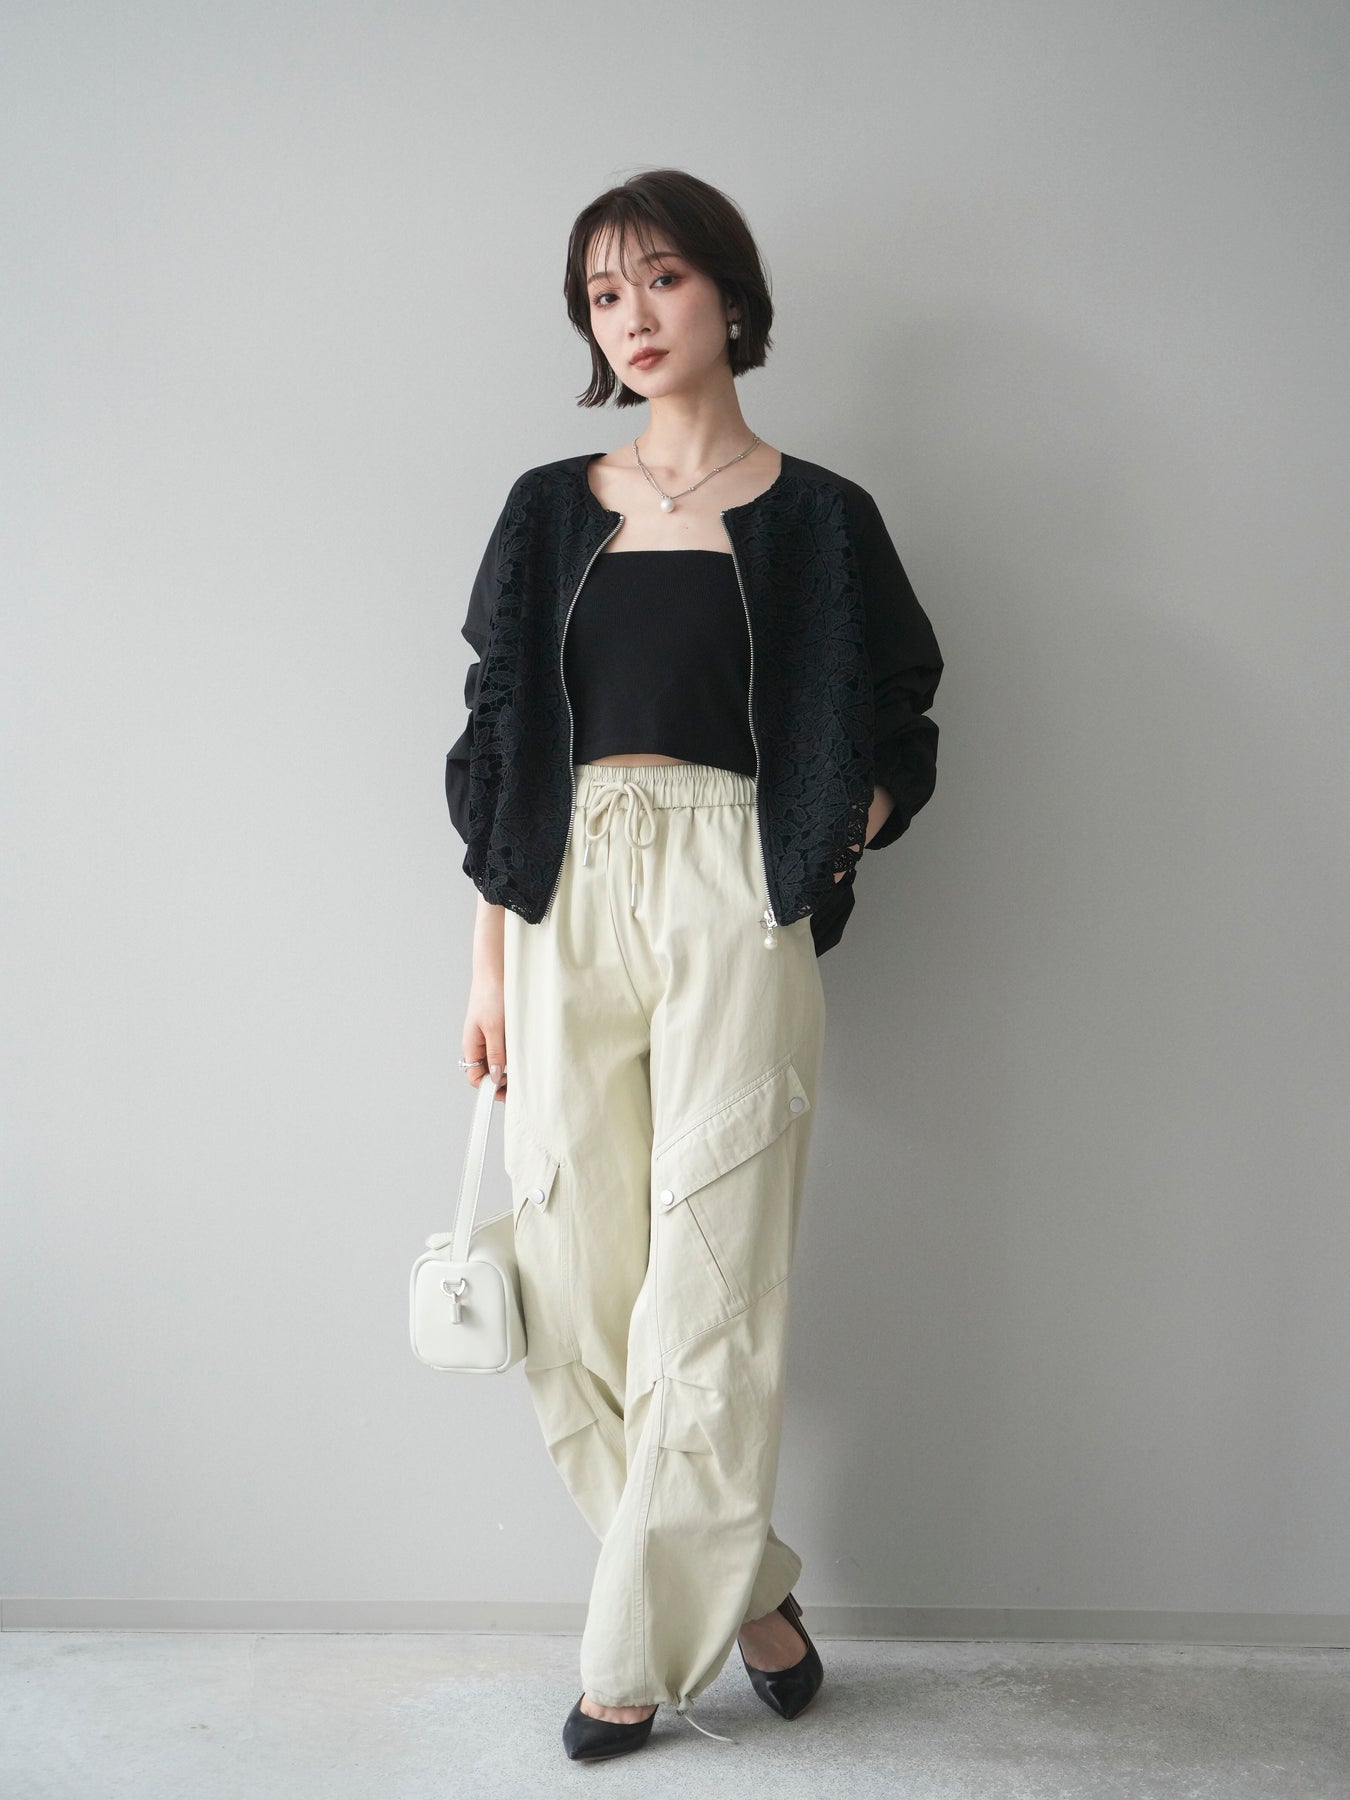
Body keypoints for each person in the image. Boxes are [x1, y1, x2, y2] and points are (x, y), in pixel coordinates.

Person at [446, 169, 943, 1763]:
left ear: (729, 293)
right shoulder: (548, 508)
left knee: (712, 1275)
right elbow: (498, 739)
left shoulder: (821, 519)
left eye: (659, 279)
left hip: (733, 884)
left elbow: (902, 722)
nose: (634, 317)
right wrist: (486, 963)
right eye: (603, 295)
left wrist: (820, 839)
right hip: (561, 890)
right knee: (567, 1280)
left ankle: (631, 1658)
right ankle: (754, 1597)